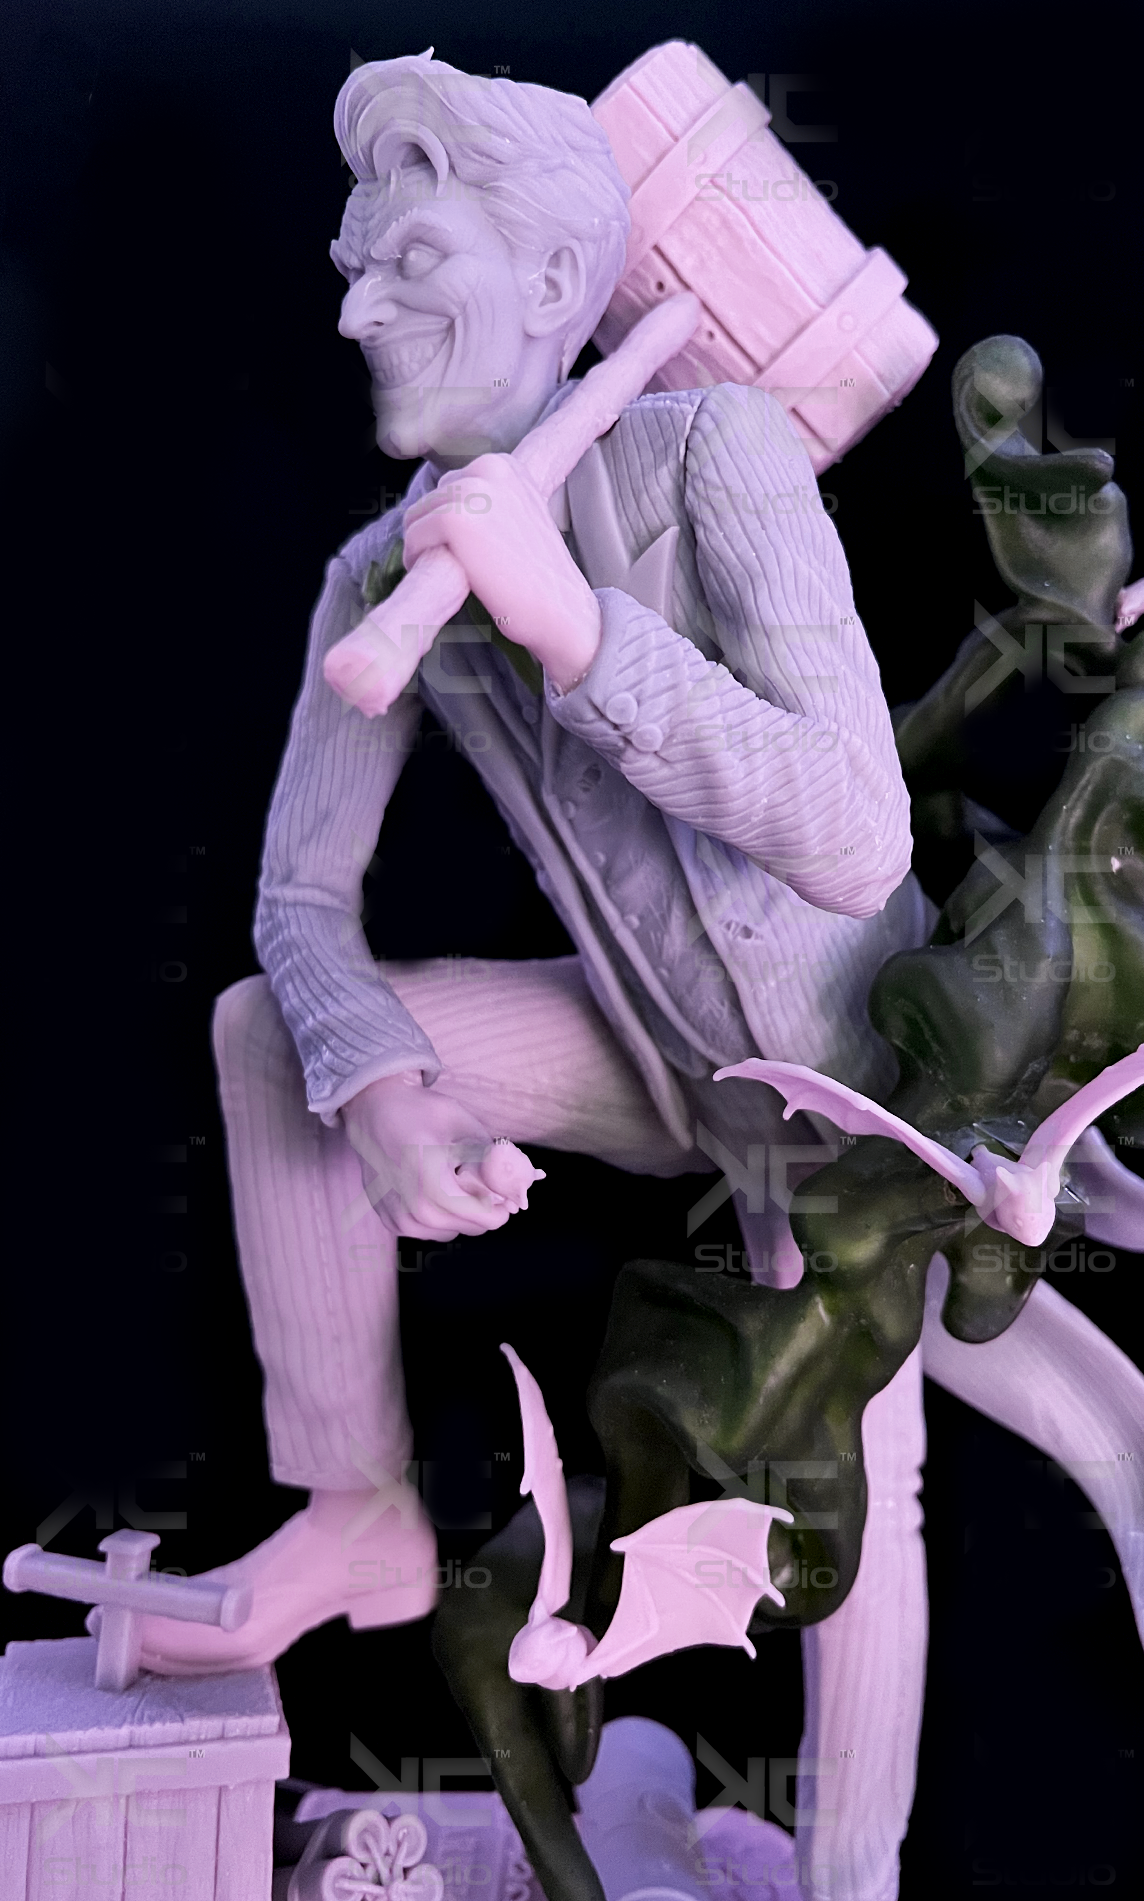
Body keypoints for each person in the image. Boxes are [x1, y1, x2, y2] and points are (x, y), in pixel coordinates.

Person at [125, 53, 1143, 1901]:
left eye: (408, 259)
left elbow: (853, 836)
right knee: (276, 1037)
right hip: (660, 1060)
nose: (356, 312)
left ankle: (849, 1877)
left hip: (861, 1088)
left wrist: (578, 630)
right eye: (349, 268)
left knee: (859, 1489)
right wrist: (387, 1088)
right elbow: (295, 897)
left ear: (550, 283)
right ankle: (355, 1507)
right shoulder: (377, 580)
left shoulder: (716, 452)